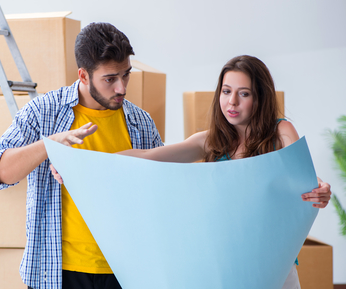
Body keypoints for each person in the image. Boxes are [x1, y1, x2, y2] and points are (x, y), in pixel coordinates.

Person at [101, 55, 331, 289]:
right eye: (226, 91)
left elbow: (304, 176)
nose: (232, 102)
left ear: (260, 97)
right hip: (224, 263)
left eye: (244, 93)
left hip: (273, 263)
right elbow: (146, 157)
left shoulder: (281, 131)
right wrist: (86, 162)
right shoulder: (210, 140)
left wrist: (320, 187)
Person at [0, 22, 163, 289]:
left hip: (126, 270)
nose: (121, 88)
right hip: (58, 272)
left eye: (126, 75)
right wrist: (49, 145)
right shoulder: (45, 111)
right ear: (83, 75)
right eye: (110, 79)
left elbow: (160, 189)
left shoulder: (140, 121)